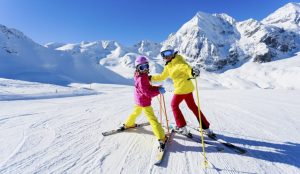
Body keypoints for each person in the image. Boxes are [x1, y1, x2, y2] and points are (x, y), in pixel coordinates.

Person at [149, 49, 213, 136]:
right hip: (188, 89)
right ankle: (206, 128)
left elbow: (187, 68)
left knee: (174, 105)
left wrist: (192, 72)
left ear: (173, 53)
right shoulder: (168, 66)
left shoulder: (179, 62)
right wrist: (151, 78)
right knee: (192, 106)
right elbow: (162, 76)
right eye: (164, 54)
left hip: (181, 89)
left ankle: (182, 127)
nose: (167, 56)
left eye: (169, 53)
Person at [120, 56, 167, 149]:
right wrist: (158, 91)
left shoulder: (139, 75)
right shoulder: (142, 79)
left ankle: (129, 124)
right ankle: (161, 138)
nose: (145, 69)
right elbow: (148, 92)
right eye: (142, 67)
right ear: (137, 68)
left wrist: (157, 88)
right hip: (144, 102)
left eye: (146, 66)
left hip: (138, 100)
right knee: (153, 119)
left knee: (135, 113)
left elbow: (147, 88)